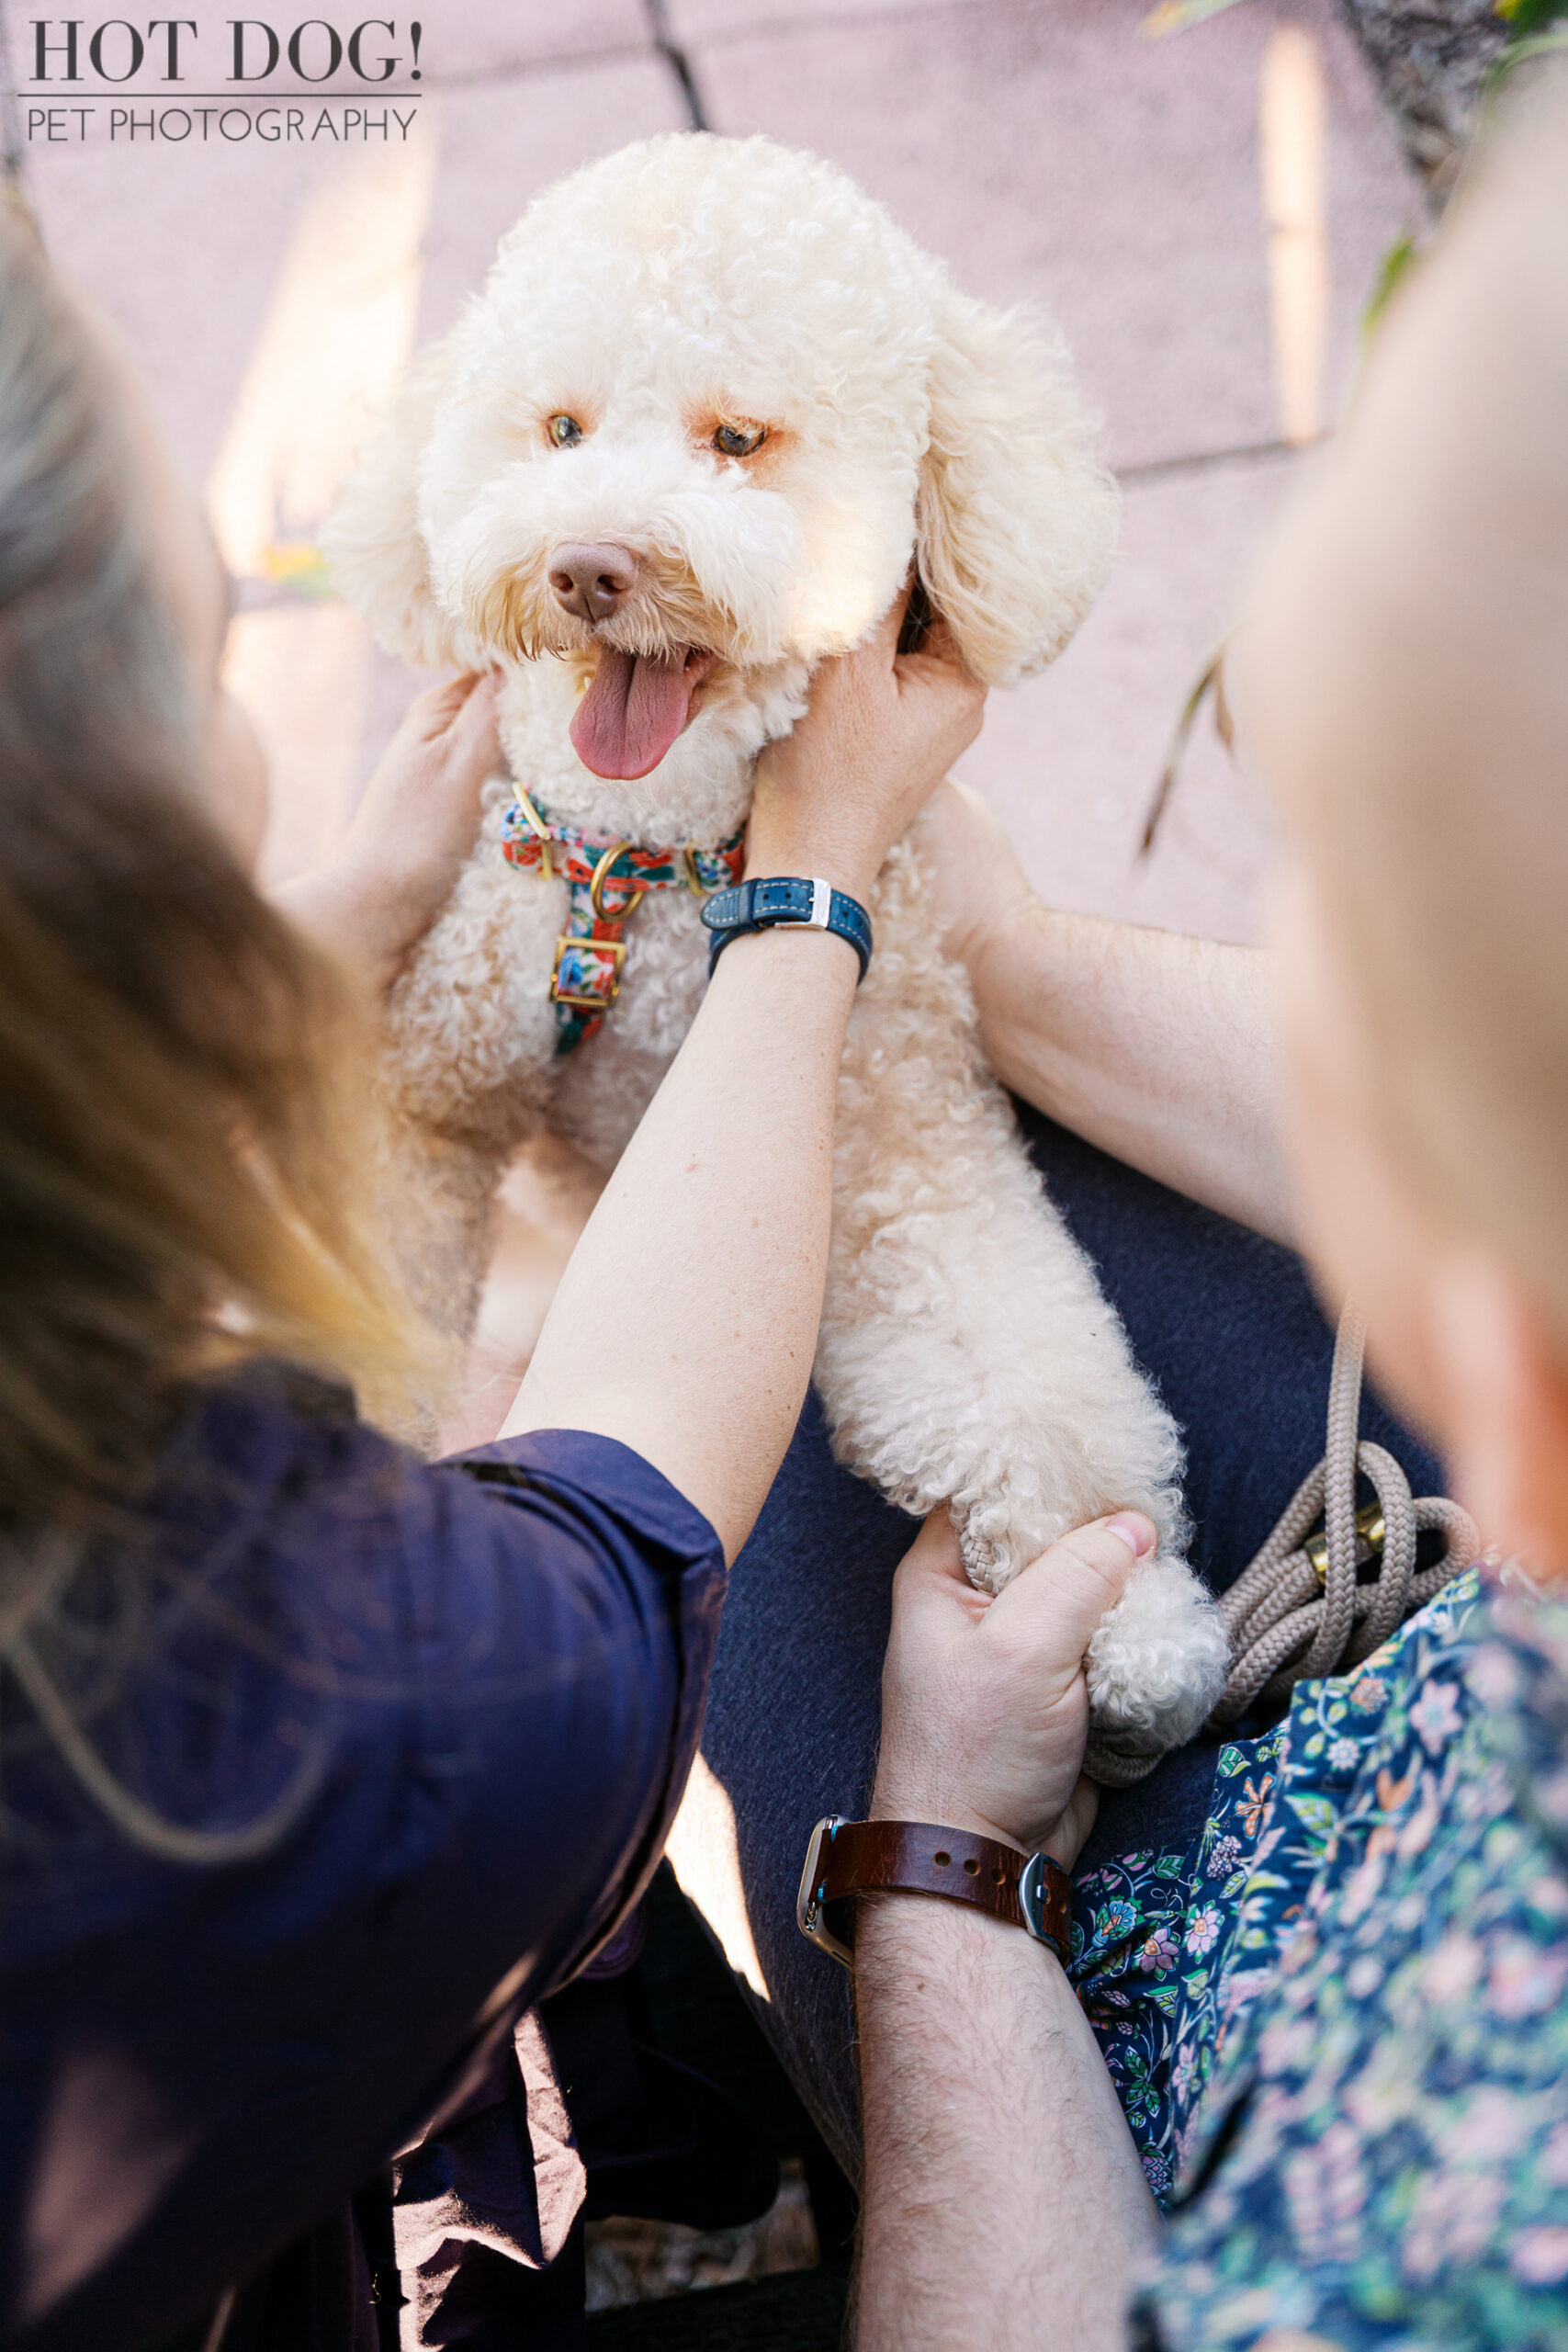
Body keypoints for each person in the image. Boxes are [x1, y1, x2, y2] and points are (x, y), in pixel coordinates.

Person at [0, 212, 987, 2351]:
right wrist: (808, 885)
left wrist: (304, 941)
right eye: (200, 662)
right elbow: (618, 1526)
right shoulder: (284, 1726)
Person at [682, 72, 1568, 2352]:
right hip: (1428, 1754)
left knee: (765, 1403)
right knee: (952, 1124)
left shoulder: (1412, 2263)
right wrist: (997, 950)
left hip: (1172, 2094)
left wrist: (946, 1866)